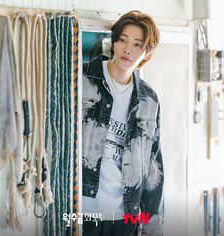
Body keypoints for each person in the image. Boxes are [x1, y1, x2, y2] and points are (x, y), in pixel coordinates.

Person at [82, 10, 164, 236]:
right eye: (123, 40)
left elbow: (154, 164)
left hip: (126, 216)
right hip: (82, 212)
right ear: (114, 42)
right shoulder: (83, 79)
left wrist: (151, 225)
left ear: (147, 52)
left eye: (138, 45)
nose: (128, 49)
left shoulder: (149, 99)